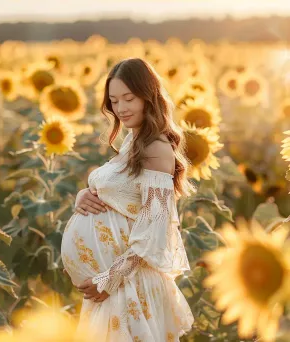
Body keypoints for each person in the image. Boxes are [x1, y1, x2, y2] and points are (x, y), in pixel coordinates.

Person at [61, 57, 195, 341]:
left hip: (130, 285)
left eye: (128, 98)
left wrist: (108, 280)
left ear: (148, 96)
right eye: (114, 100)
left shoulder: (156, 149)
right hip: (115, 287)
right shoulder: (133, 142)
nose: (120, 108)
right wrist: (84, 194)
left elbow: (154, 231)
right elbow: (120, 195)